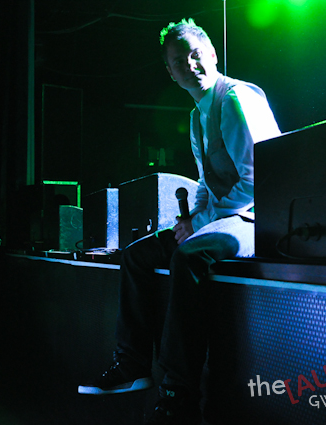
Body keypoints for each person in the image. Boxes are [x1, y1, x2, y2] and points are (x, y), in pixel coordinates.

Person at [78, 19, 281, 424]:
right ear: (170, 73)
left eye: (195, 54)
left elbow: (258, 181)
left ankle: (178, 392)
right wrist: (192, 218)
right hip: (224, 216)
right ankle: (133, 365)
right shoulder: (195, 117)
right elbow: (205, 181)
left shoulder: (235, 99)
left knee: (189, 257)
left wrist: (201, 221)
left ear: (212, 54)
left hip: (257, 218)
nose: (189, 65)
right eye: (178, 61)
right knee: (136, 256)